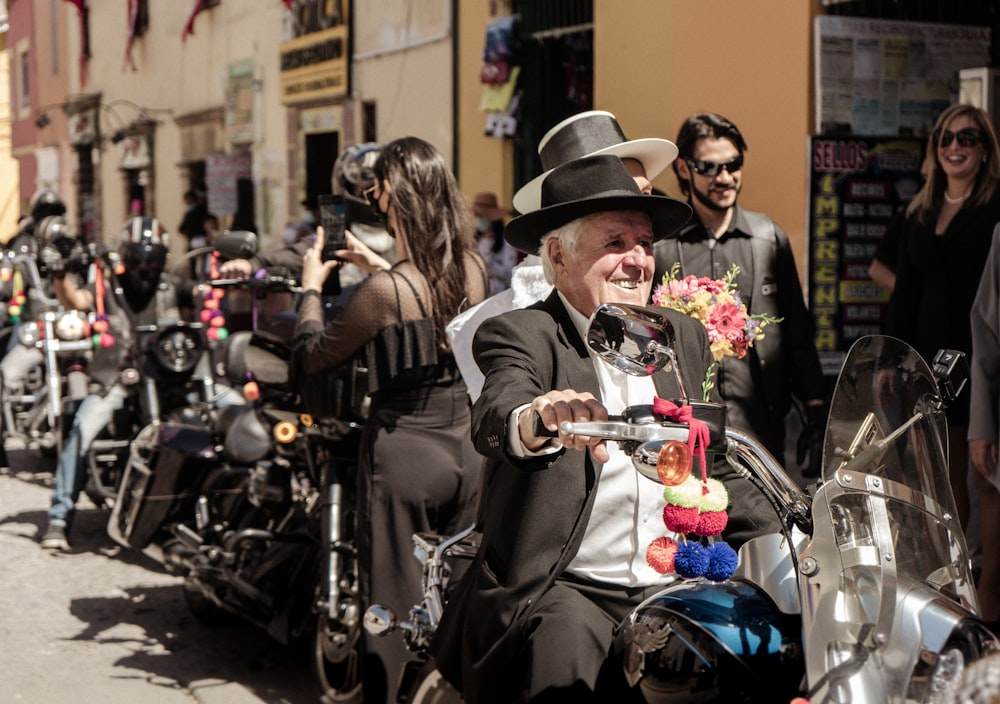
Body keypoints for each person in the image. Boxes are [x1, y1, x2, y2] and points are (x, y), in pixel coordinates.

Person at [431, 154, 782, 703]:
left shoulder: (680, 336)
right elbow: (501, 410)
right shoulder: (524, 333)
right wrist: (543, 417)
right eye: (615, 242)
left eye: (645, 243)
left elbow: (715, 462)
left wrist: (801, 529)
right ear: (557, 256)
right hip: (568, 585)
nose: (638, 260)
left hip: (676, 581)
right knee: (564, 665)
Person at [291, 136, 489, 704]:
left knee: (394, 613)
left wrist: (310, 285)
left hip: (406, 456)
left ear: (391, 199)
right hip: (469, 451)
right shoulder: (473, 269)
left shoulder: (383, 292)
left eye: (376, 190)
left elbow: (312, 355)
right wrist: (379, 265)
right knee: (458, 595)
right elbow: (434, 311)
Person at [447, 109, 679, 402]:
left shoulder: (673, 316)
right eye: (614, 241)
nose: (636, 258)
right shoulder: (510, 326)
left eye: (645, 194)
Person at [653, 112, 827, 476]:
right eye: (710, 167)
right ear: (684, 169)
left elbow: (796, 328)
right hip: (685, 427)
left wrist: (814, 405)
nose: (725, 177)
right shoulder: (662, 244)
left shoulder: (767, 238)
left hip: (760, 426)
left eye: (733, 165)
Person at [39, 217, 189, 550]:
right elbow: (74, 301)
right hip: (115, 379)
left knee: (213, 421)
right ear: (126, 256)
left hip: (168, 381)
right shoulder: (106, 287)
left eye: (153, 258)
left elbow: (204, 311)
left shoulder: (174, 287)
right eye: (139, 258)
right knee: (82, 430)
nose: (146, 266)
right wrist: (61, 271)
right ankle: (59, 517)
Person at [890, 103, 1000, 540]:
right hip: (925, 358)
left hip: (978, 358)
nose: (955, 147)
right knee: (931, 478)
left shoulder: (995, 208)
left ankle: (977, 583)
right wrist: (892, 361)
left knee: (973, 477)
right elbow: (905, 294)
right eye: (946, 139)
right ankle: (942, 570)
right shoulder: (920, 210)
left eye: (967, 138)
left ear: (986, 150)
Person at [472, 192, 517, 295]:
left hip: (497, 296)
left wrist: (487, 263)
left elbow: (509, 273)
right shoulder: (474, 240)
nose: (478, 220)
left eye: (482, 217)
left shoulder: (506, 242)